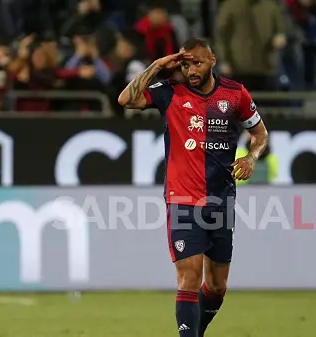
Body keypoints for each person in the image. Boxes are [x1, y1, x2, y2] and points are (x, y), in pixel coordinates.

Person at [117, 37, 269, 337]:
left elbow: (259, 133)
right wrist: (158, 65)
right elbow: (126, 100)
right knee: (188, 278)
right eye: (185, 65)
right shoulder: (170, 93)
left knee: (216, 285)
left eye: (196, 63)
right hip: (182, 198)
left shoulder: (235, 94)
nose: (190, 71)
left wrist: (251, 158)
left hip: (221, 200)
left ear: (212, 60)